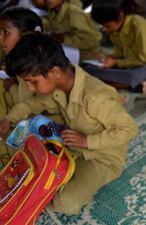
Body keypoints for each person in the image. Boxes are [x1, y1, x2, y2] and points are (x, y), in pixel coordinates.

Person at [0, 33, 138, 214]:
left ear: (55, 72)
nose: (31, 88)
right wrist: (9, 119)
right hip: (70, 143)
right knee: (20, 153)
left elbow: (130, 129)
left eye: (33, 82)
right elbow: (30, 104)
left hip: (100, 156)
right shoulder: (58, 85)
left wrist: (88, 141)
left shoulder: (95, 97)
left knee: (64, 203)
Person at [0, 7, 59, 164]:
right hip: (19, 112)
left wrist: (11, 86)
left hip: (36, 120)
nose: (0, 38)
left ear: (27, 36)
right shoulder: (13, 58)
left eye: (6, 33)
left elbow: (28, 105)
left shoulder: (37, 67)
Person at [87, 0, 146, 94]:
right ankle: (132, 84)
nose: (104, 29)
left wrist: (116, 62)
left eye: (107, 25)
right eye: (102, 25)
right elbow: (119, 52)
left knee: (132, 76)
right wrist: (109, 58)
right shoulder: (114, 28)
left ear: (120, 17)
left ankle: (130, 83)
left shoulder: (139, 25)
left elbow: (143, 59)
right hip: (128, 62)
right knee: (89, 69)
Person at [33, 0, 101, 61]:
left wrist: (64, 39)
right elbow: (50, 26)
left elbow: (91, 41)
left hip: (87, 58)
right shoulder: (53, 12)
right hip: (68, 54)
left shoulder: (74, 13)